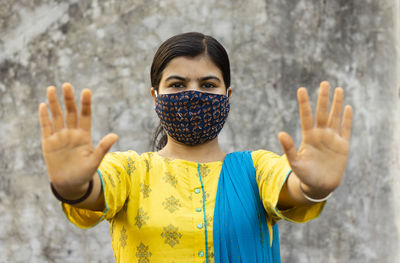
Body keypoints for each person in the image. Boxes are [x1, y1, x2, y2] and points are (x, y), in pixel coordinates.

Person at [38, 32, 353, 263]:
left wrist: (315, 186)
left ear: (227, 95)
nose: (193, 94)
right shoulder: (131, 172)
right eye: (176, 85)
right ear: (155, 97)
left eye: (208, 85)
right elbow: (95, 193)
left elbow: (293, 190)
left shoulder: (255, 170)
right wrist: (73, 186)